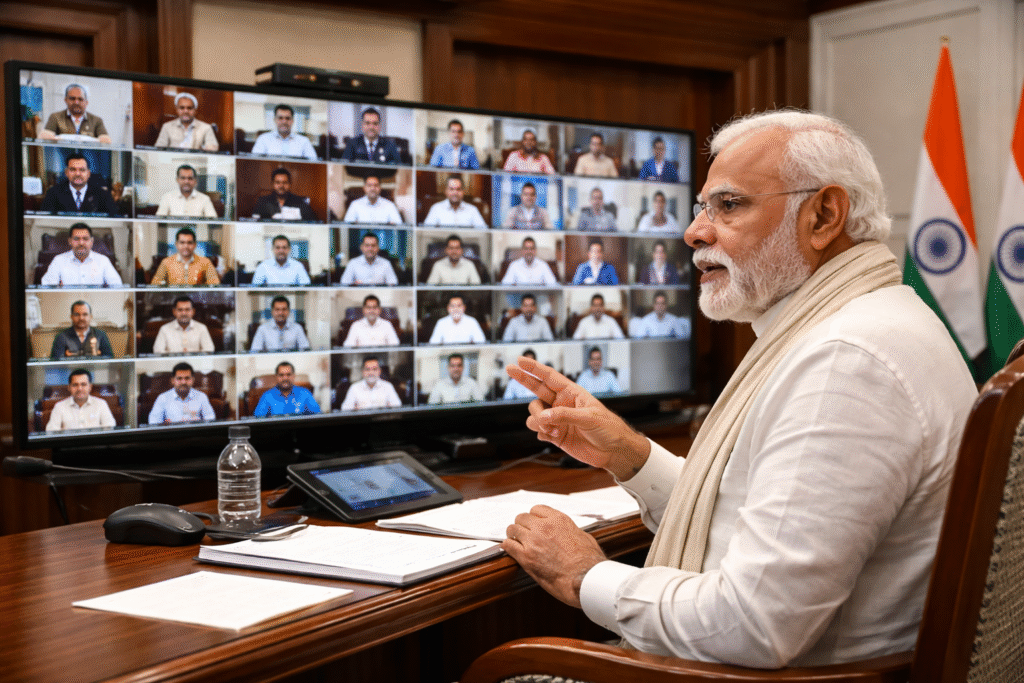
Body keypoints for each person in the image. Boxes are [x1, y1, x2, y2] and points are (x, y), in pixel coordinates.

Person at [501, 110, 977, 668]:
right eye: (705, 207)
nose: (694, 231)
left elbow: (752, 625)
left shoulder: (846, 361)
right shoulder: (873, 316)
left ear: (824, 215)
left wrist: (586, 575)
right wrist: (628, 455)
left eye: (729, 206)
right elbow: (762, 513)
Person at [40, 223, 122, 287]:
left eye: (85, 239)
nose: (81, 243)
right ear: (70, 241)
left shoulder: (103, 260)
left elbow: (117, 286)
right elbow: (46, 287)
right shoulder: (58, 260)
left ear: (91, 241)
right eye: (76, 239)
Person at [39, 154, 120, 216]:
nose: (77, 174)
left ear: (88, 173)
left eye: (82, 170)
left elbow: (114, 219)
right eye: (73, 169)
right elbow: (45, 219)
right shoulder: (53, 193)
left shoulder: (103, 194)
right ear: (66, 173)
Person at [45, 368, 116, 432]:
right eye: (75, 385)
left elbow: (110, 427)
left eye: (83, 384)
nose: (79, 389)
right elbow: (51, 431)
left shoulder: (101, 404)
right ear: (69, 387)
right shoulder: (59, 406)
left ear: (90, 387)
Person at [39, 84, 111, 143]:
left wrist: (62, 138)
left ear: (86, 102)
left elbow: (106, 141)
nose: (76, 102)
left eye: (80, 99)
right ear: (66, 100)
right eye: (72, 99)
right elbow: (43, 137)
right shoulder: (56, 117)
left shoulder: (96, 120)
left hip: (88, 158)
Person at [150, 226, 221, 286]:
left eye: (189, 243)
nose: (186, 246)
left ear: (195, 245)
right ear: (176, 244)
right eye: (182, 242)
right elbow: (155, 284)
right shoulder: (166, 262)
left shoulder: (205, 262)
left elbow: (215, 283)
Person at [148, 362, 215, 424]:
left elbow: (211, 419)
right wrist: (164, 424)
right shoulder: (163, 398)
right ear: (173, 380)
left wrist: (200, 422)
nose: (183, 382)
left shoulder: (201, 397)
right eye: (179, 378)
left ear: (192, 380)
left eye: (187, 378)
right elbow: (153, 421)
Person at [154, 92, 219, 151]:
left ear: (195, 111)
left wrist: (204, 148)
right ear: (177, 110)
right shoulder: (167, 126)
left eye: (189, 108)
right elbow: (159, 149)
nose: (186, 111)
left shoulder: (206, 128)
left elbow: (213, 149)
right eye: (182, 108)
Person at [250, 104, 318, 160]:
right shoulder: (263, 139)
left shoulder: (304, 141)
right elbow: (255, 162)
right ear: (275, 120)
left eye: (287, 118)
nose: (284, 121)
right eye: (280, 118)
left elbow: (314, 162)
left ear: (292, 121)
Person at [49, 300, 114, 359]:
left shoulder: (100, 335)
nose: (81, 318)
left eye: (85, 314)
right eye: (77, 314)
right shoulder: (61, 337)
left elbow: (109, 358)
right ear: (71, 316)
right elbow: (55, 362)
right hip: (70, 372)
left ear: (90, 316)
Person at [253, 361, 321, 416]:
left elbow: (318, 416)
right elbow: (258, 419)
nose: (285, 378)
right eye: (281, 375)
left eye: (288, 375)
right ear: (276, 377)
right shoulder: (267, 396)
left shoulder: (305, 393)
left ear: (293, 376)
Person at [253, 167, 319, 222]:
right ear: (272, 184)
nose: (281, 186)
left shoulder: (300, 202)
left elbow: (313, 222)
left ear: (290, 184)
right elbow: (255, 223)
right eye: (277, 182)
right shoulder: (262, 201)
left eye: (285, 183)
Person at [422, 176, 487, 229]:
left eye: (458, 189)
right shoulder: (436, 208)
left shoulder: (472, 209)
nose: (455, 193)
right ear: (446, 191)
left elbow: (483, 231)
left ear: (463, 192)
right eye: (451, 189)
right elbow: (426, 230)